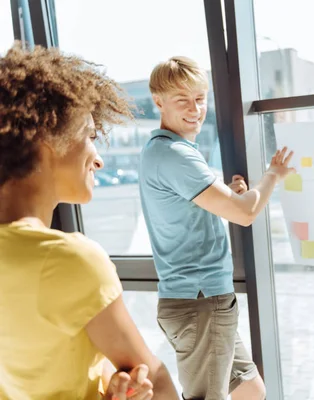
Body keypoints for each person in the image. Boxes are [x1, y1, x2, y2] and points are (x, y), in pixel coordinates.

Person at [0, 42, 179, 400]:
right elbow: (158, 385)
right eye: (90, 136)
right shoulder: (67, 260)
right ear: (48, 139)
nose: (97, 159)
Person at [139, 56, 294, 400]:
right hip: (200, 303)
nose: (195, 109)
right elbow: (245, 214)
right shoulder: (176, 155)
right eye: (182, 100)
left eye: (200, 98)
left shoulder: (166, 151)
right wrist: (273, 175)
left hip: (203, 301)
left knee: (250, 391)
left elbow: (206, 210)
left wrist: (230, 196)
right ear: (158, 101)